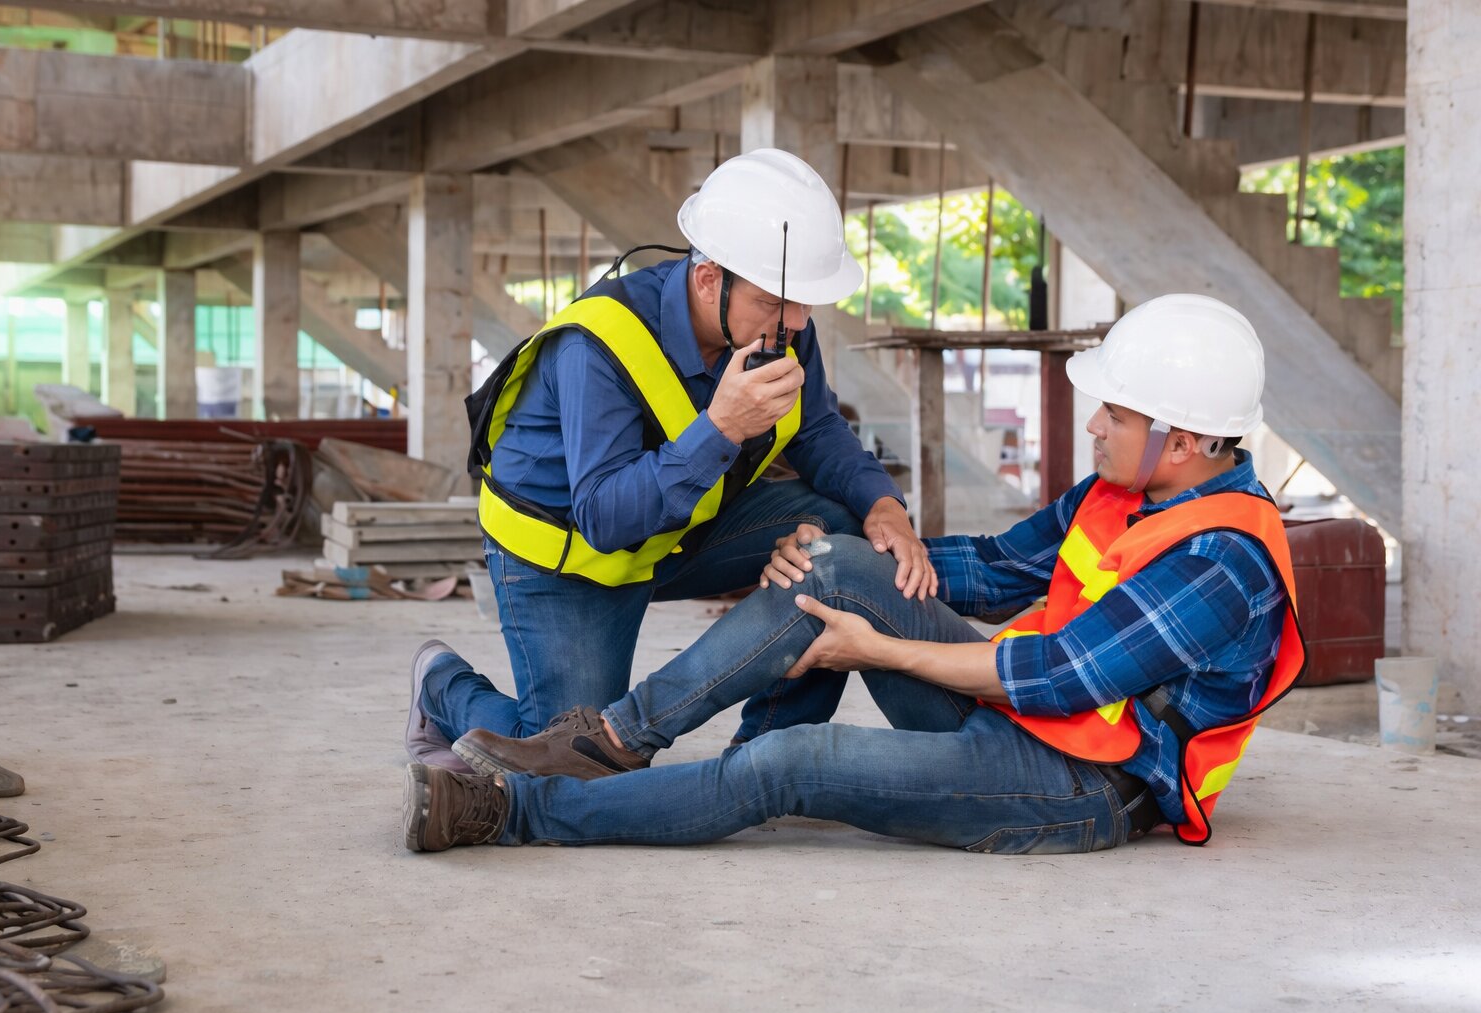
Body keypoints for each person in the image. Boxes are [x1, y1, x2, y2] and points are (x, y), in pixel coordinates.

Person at [402, 293, 1306, 854]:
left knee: (793, 764)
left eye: (1116, 414)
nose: (1096, 426)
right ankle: (617, 740)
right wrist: (863, 555)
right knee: (831, 558)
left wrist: (872, 649)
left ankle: (514, 811)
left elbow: (1055, 674)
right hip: (1024, 719)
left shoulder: (1222, 561)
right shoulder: (1122, 493)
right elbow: (995, 570)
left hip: (1081, 785)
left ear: (1184, 442)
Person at [406, 149, 933, 773]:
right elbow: (606, 518)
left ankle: (766, 755)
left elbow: (817, 427)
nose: (795, 321)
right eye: (775, 301)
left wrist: (884, 505)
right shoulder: (596, 346)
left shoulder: (781, 326)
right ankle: (441, 686)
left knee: (840, 531)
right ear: (709, 280)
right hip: (570, 556)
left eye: (805, 303)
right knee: (579, 762)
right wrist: (721, 428)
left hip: (680, 529)